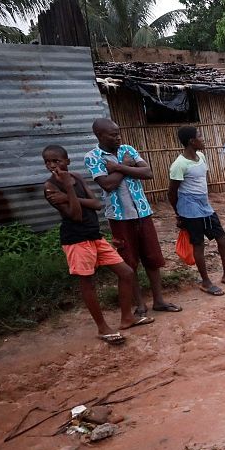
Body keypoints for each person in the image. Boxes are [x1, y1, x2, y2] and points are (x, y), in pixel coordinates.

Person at [44, 144, 151, 344]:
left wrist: (68, 194)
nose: (52, 165)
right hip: (76, 240)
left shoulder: (75, 177)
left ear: (67, 161)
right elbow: (75, 215)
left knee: (126, 272)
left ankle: (127, 317)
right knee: (87, 282)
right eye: (48, 162)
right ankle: (102, 328)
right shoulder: (50, 187)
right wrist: (67, 187)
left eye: (56, 161)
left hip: (95, 236)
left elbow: (97, 204)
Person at [84, 118, 180, 315]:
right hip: (119, 217)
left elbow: (147, 173)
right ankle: (140, 304)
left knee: (152, 258)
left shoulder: (128, 149)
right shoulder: (93, 157)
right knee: (129, 261)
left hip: (142, 212)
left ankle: (159, 300)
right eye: (113, 134)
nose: (118, 137)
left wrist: (119, 167)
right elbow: (108, 185)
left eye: (118, 133)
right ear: (100, 135)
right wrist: (128, 168)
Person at [169, 127, 225, 296]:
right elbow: (172, 193)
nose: (203, 139)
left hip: (204, 207)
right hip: (189, 210)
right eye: (200, 136)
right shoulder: (179, 164)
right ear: (191, 141)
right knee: (198, 244)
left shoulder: (201, 156)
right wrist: (179, 214)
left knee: (223, 239)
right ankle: (205, 282)